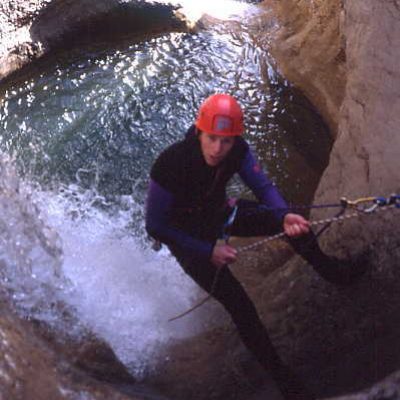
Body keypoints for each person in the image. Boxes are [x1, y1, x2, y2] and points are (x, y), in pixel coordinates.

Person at [145, 93, 362, 399]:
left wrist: (285, 214)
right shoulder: (171, 163)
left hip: (220, 212)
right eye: (212, 138)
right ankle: (282, 377)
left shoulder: (238, 150)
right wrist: (209, 252)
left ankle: (334, 272)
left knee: (291, 223)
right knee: (240, 305)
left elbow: (263, 187)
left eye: (227, 141)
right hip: (189, 238)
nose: (218, 149)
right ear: (199, 132)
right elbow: (156, 226)